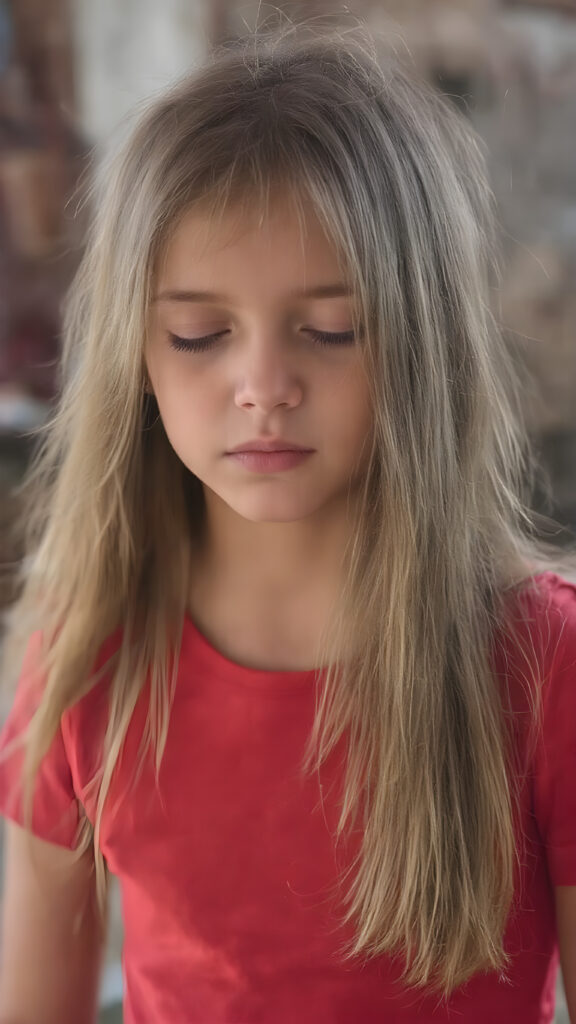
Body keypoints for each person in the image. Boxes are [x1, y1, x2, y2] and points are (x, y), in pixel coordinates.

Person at [0, 25, 574, 1024]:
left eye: (330, 330)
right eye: (199, 334)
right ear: (135, 353)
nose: (263, 386)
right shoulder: (85, 664)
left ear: (422, 341)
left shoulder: (544, 666)